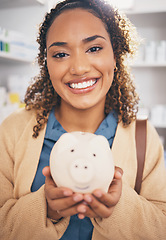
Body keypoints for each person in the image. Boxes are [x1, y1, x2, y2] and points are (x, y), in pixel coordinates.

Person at [0, 0, 166, 239]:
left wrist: (120, 206)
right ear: (47, 64)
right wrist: (46, 208)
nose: (78, 67)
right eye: (61, 54)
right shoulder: (13, 131)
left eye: (94, 48)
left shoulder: (143, 135)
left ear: (115, 53)